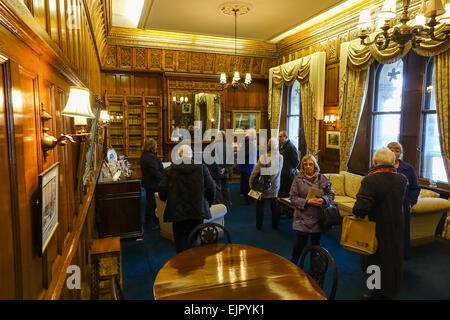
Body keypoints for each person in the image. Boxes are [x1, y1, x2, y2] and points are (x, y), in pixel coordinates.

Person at [352, 147, 408, 300]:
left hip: (376, 227)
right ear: (392, 161)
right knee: (393, 259)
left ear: (375, 161)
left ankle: (375, 293)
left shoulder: (370, 180)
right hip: (397, 225)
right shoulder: (402, 179)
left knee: (373, 260)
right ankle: (390, 291)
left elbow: (361, 208)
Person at [158, 144, 216, 253]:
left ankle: (182, 265)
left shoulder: (170, 170)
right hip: (197, 209)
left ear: (179, 155)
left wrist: (165, 199)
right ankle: (193, 264)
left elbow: (162, 188)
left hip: (177, 211)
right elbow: (212, 187)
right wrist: (208, 203)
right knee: (194, 239)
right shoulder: (202, 168)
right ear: (191, 155)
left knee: (180, 240)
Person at [289, 154, 335, 265]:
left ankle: (315, 270)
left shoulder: (322, 178)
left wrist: (324, 200)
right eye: (305, 164)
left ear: (315, 165)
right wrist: (307, 202)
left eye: (310, 164)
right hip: (302, 217)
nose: (308, 166)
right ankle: (293, 265)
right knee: (299, 244)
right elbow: (293, 197)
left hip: (318, 217)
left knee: (315, 246)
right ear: (302, 166)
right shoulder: (298, 179)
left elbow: (331, 195)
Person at [387, 141, 420, 260]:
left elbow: (415, 187)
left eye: (397, 150)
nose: (394, 153)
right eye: (391, 150)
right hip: (385, 205)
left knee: (402, 230)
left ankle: (402, 254)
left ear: (401, 153)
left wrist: (411, 202)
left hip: (403, 204)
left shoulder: (408, 168)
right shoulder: (380, 167)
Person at [249, 138, 284, 230]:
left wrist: (251, 183)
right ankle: (275, 225)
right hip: (275, 186)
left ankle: (259, 225)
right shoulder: (281, 157)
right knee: (274, 206)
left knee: (260, 206)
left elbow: (255, 172)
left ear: (268, 146)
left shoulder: (263, 157)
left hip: (262, 186)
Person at [140, 138, 164, 230]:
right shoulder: (150, 157)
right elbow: (155, 173)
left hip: (149, 183)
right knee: (152, 204)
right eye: (156, 145)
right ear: (152, 146)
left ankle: (153, 221)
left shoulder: (145, 155)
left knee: (152, 203)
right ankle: (150, 223)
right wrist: (164, 178)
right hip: (153, 184)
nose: (157, 147)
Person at [207, 131, 234, 210]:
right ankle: (227, 205)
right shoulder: (229, 147)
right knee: (225, 189)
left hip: (216, 172)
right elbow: (232, 161)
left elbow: (212, 160)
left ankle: (220, 207)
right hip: (225, 172)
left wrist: (219, 169)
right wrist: (225, 169)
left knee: (217, 189)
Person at [236, 129, 258, 205]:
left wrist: (238, 152)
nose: (245, 135)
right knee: (249, 183)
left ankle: (250, 200)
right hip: (249, 165)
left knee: (247, 183)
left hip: (247, 166)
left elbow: (244, 155)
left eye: (246, 133)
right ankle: (251, 199)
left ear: (250, 135)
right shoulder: (250, 142)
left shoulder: (249, 143)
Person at [278, 130, 300, 198]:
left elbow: (297, 161)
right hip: (283, 173)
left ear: (286, 137)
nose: (278, 138)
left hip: (288, 175)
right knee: (281, 193)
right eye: (278, 136)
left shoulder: (291, 147)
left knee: (286, 194)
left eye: (280, 136)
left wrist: (291, 169)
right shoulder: (283, 145)